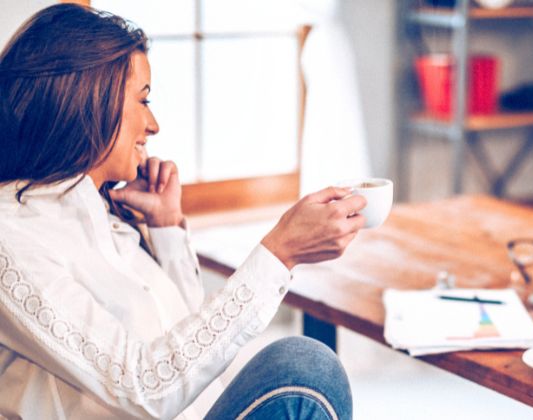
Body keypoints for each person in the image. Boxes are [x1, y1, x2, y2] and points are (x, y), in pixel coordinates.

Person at [0, 4, 366, 419]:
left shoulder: (108, 219)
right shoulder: (12, 239)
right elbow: (143, 386)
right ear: (87, 99)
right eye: (143, 100)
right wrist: (279, 253)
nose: (153, 124)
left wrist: (168, 230)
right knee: (304, 370)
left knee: (305, 366)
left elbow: (197, 362)